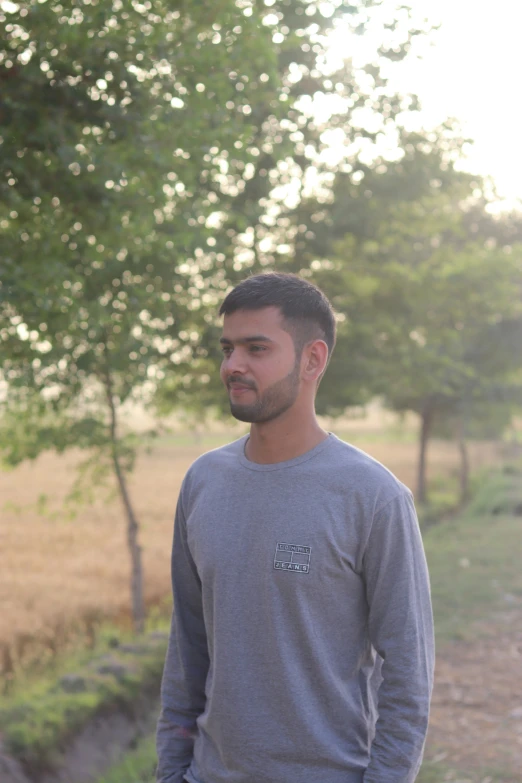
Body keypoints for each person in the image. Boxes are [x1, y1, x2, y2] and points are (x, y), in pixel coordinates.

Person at [156, 272, 434, 783]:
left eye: (256, 348)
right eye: (228, 348)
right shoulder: (203, 482)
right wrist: (172, 772)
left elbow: (408, 675)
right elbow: (188, 647)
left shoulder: (373, 496)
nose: (233, 365)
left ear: (313, 359)